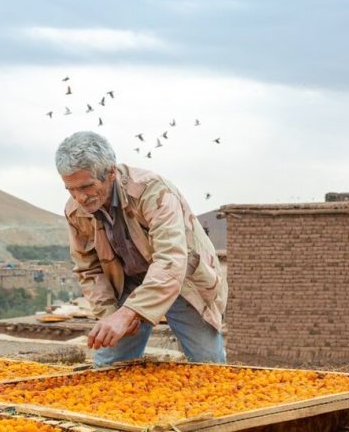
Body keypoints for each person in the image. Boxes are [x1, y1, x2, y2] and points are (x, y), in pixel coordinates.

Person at [55, 131, 227, 367]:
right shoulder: (76, 211)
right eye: (71, 189)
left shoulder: (152, 191)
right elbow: (88, 269)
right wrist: (112, 315)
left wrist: (129, 313)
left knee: (209, 366)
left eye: (86, 186)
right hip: (130, 283)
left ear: (111, 172)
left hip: (182, 280)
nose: (80, 197)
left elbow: (170, 261)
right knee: (108, 367)